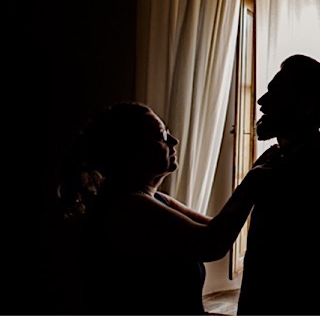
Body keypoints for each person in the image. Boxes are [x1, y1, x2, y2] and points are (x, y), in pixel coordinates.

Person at [58, 101, 266, 315]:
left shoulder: (156, 199)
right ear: (128, 151)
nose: (174, 141)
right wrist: (252, 181)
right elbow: (211, 243)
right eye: (161, 136)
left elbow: (219, 229)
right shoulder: (127, 208)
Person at [237, 54, 320, 315]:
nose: (261, 102)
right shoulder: (283, 160)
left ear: (305, 107)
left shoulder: (316, 173)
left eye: (275, 94)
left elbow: (289, 271)